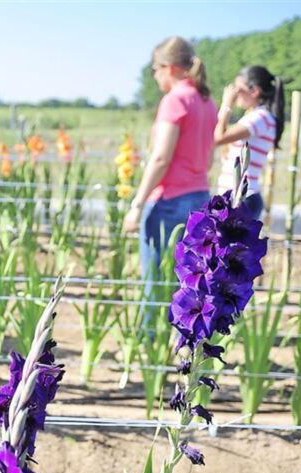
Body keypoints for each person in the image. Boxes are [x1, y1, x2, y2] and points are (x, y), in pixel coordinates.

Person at [124, 36, 217, 298]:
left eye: (155, 69)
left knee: (155, 285)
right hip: (200, 198)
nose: (155, 76)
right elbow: (209, 159)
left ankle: (151, 327)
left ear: (170, 68)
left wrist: (137, 205)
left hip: (168, 202)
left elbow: (161, 158)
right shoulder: (207, 101)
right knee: (186, 286)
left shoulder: (175, 100)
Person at [214, 65, 285, 220]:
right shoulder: (257, 117)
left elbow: (218, 138)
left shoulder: (260, 118)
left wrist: (226, 105)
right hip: (239, 196)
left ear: (254, 91)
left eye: (238, 89)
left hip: (242, 197)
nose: (234, 93)